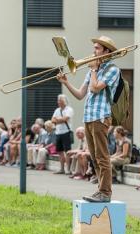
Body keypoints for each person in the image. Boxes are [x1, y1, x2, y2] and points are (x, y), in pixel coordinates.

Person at [57, 36, 119, 202]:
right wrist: (66, 82)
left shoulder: (112, 69)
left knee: (102, 157)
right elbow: (80, 94)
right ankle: (100, 189)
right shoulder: (92, 70)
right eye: (95, 48)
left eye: (97, 48)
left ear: (107, 51)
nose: (94, 51)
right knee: (94, 156)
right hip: (89, 117)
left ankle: (106, 192)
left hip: (100, 117)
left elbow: (96, 88)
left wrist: (93, 70)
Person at [51, 94, 74, 174]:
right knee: (60, 151)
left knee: (67, 151)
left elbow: (65, 119)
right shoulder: (57, 110)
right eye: (58, 100)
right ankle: (62, 169)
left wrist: (58, 119)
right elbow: (52, 120)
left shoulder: (69, 109)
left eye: (60, 100)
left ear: (65, 101)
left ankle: (68, 169)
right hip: (58, 132)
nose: (59, 102)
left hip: (66, 132)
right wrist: (59, 119)